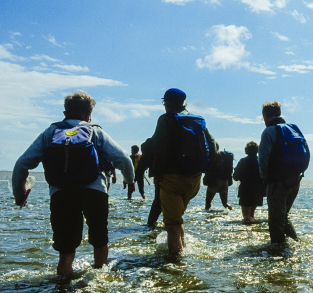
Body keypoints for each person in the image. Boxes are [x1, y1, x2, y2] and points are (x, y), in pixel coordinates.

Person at [11, 90, 134, 276]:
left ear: (65, 113)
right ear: (88, 114)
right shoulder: (95, 131)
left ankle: (63, 281)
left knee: (66, 247)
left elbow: (22, 164)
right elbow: (124, 159)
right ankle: (99, 278)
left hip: (61, 192)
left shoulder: (50, 132)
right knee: (99, 239)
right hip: (95, 191)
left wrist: (19, 194)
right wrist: (130, 180)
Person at [151, 88, 217, 254]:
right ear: (184, 103)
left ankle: (176, 264)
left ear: (167, 103)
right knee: (177, 219)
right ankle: (182, 250)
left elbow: (157, 147)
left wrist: (155, 172)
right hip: (194, 180)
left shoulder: (166, 120)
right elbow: (214, 146)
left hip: (172, 179)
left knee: (172, 223)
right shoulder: (197, 121)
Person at [259, 101, 306, 244]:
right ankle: (296, 244)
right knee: (283, 216)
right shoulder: (293, 129)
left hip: (277, 182)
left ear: (265, 115)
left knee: (275, 221)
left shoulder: (269, 131)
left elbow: (263, 160)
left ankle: (278, 253)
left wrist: (265, 180)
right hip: (295, 180)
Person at [233, 141, 266, 223]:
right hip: (258, 190)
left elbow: (235, 177)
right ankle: (252, 231)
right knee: (251, 215)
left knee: (246, 217)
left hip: (245, 190)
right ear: (257, 151)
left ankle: (248, 231)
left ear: (246, 151)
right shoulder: (260, 161)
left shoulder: (243, 161)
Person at [136, 138, 162, 228]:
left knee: (158, 201)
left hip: (164, 177)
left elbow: (140, 168)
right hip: (190, 178)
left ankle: (150, 225)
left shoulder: (152, 146)